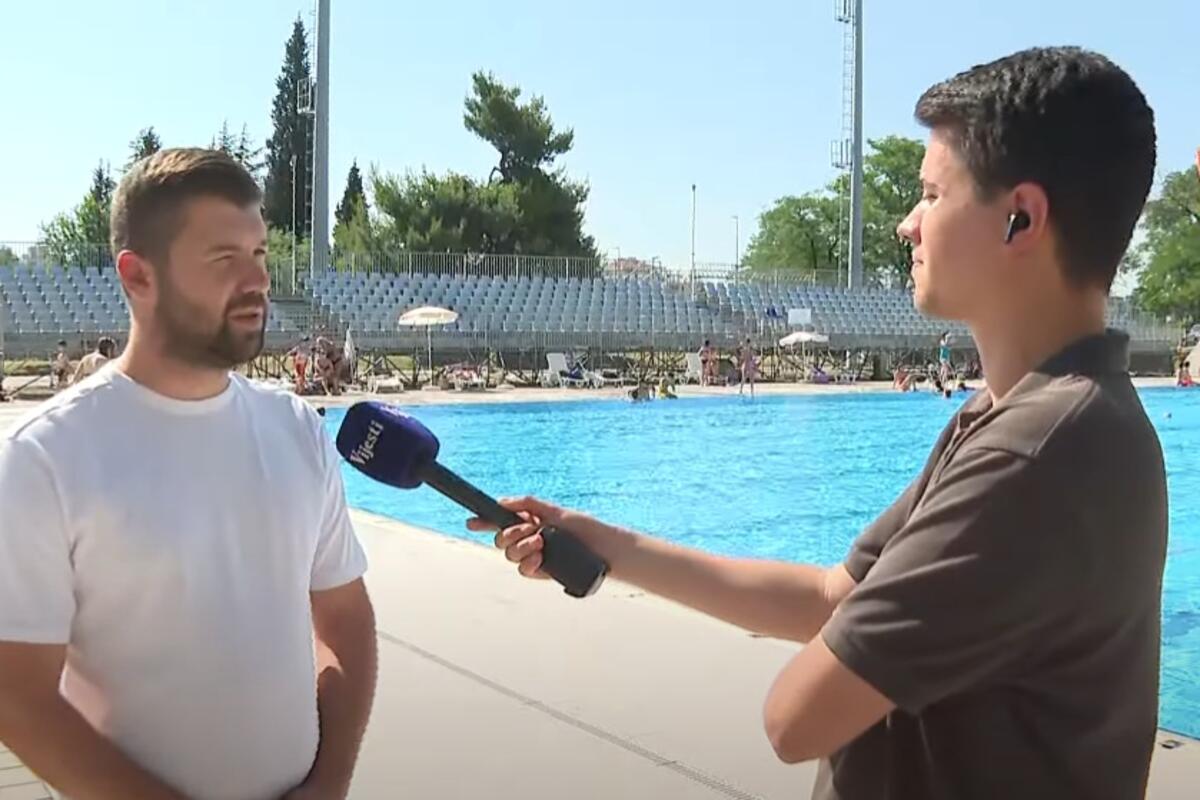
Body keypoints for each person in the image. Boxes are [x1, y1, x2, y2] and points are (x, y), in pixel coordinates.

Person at [471, 47, 1166, 800]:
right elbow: (832, 597)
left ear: (1019, 217)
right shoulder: (1018, 415)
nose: (907, 225)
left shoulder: (1038, 451)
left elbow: (795, 718)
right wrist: (606, 544)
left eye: (931, 195)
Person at [0, 149, 377, 800]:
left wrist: (331, 780)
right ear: (137, 276)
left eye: (259, 254)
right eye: (224, 258)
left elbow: (344, 617)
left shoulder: (296, 431)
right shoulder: (46, 458)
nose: (257, 280)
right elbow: (18, 697)